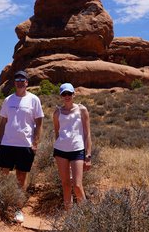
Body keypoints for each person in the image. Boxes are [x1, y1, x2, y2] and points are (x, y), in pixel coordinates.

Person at [0, 70, 44, 223]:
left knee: (21, 177)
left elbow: (39, 122)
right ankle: (3, 202)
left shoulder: (34, 100)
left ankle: (18, 208)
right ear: (14, 82)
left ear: (27, 83)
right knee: (4, 174)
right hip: (7, 143)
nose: (20, 82)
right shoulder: (8, 100)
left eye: (23, 80)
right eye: (17, 79)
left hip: (25, 145)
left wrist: (35, 142)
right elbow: (3, 122)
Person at [53, 83, 92, 211]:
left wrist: (88, 156)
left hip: (77, 150)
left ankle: (86, 216)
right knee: (65, 184)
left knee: (77, 185)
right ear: (61, 95)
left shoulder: (82, 110)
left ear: (73, 94)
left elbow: (87, 134)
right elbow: (57, 133)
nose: (67, 96)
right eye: (64, 94)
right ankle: (68, 217)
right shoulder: (57, 113)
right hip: (61, 151)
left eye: (69, 93)